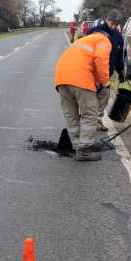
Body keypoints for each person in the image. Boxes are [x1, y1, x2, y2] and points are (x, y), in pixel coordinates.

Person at [54, 24, 112, 161]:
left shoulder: (82, 41)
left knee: (71, 114)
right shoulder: (103, 40)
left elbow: (88, 61)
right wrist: (106, 83)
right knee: (90, 114)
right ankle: (84, 150)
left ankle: (76, 146)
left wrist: (96, 83)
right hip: (80, 77)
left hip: (61, 78)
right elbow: (101, 61)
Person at [88, 9, 124, 131]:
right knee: (89, 97)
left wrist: (121, 71)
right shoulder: (94, 32)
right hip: (91, 72)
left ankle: (97, 121)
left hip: (107, 72)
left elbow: (119, 56)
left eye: (116, 24)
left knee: (104, 96)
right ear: (106, 19)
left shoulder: (118, 36)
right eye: (111, 23)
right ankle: (86, 119)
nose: (113, 26)